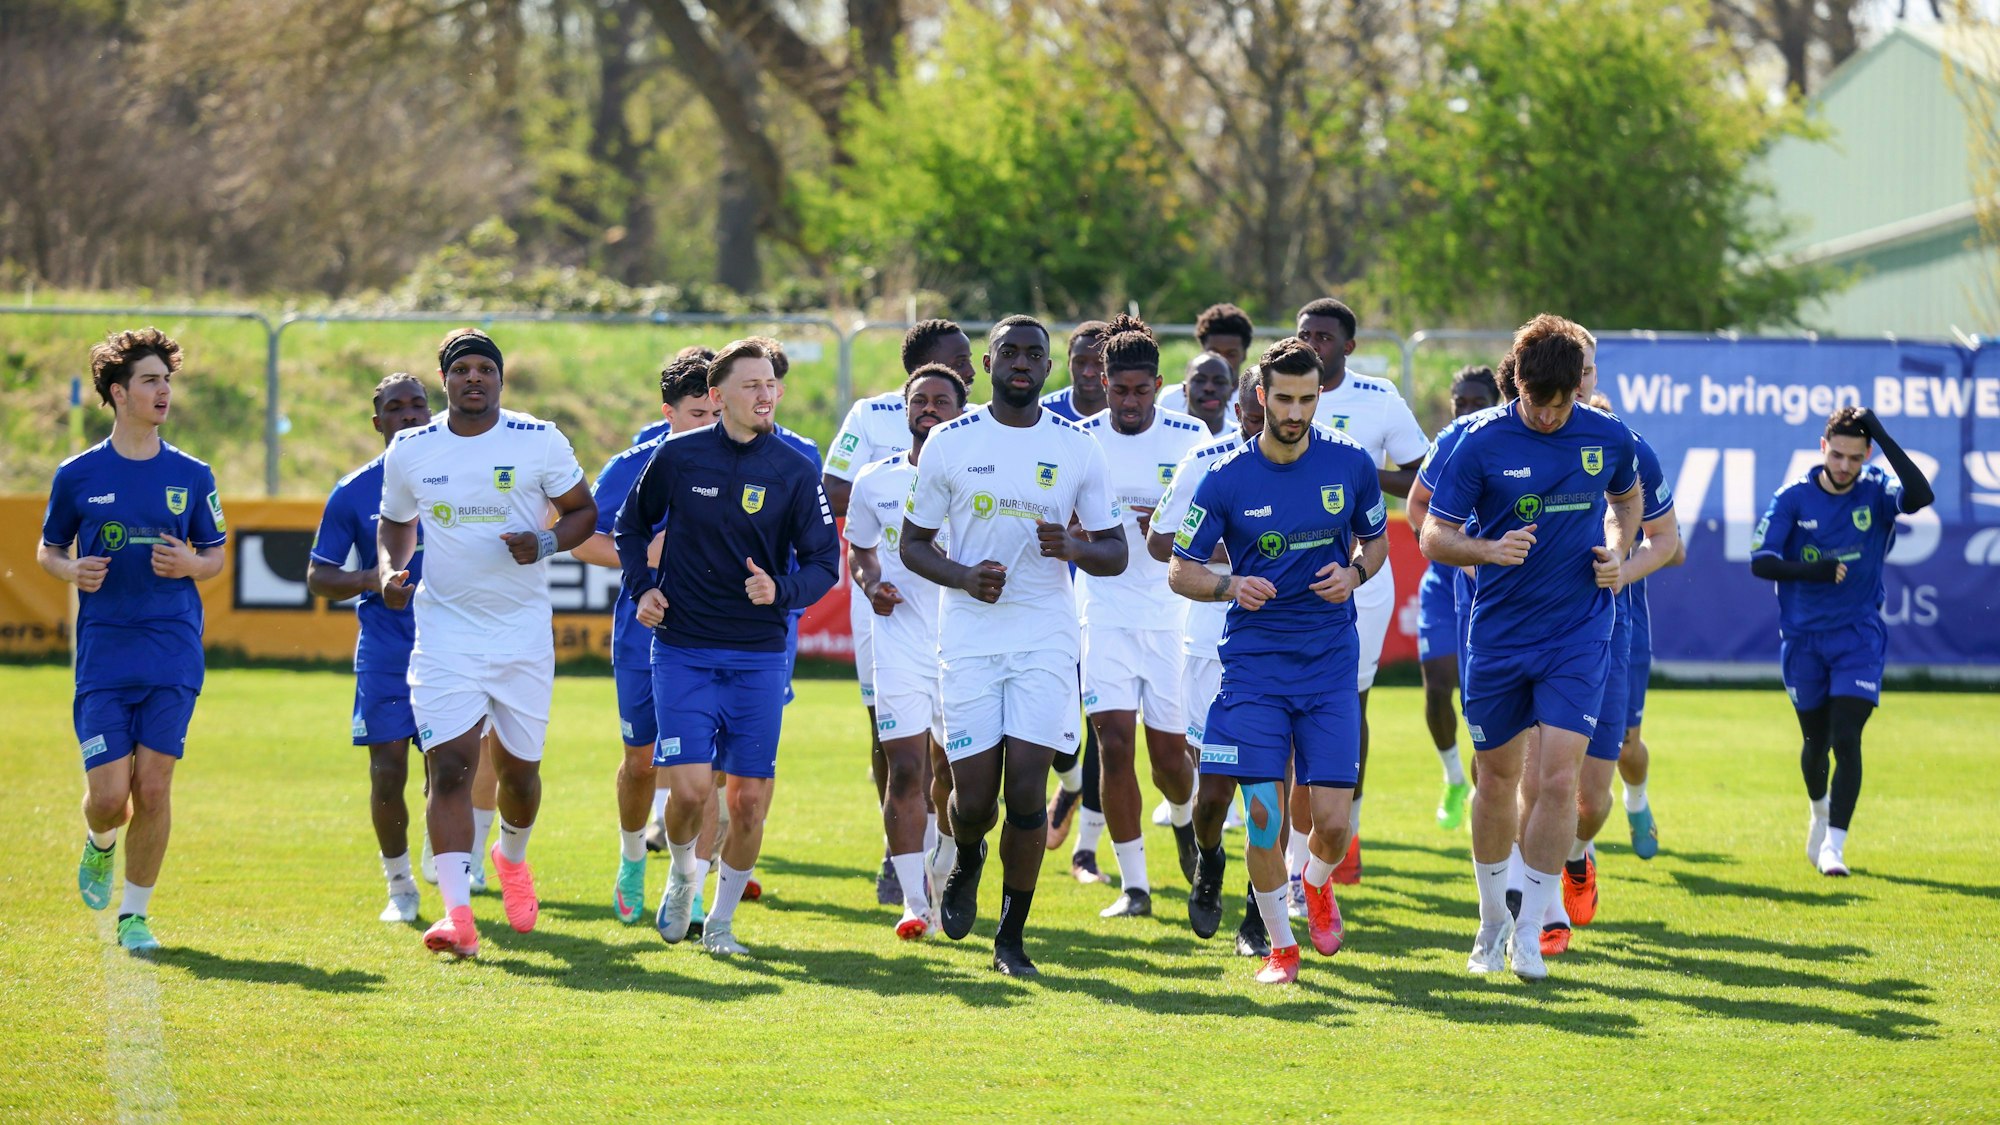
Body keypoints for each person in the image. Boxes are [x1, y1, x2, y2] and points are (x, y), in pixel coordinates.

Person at [901, 315, 1127, 977]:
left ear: (1048, 367)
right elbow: (913, 545)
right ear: (989, 363)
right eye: (1010, 352)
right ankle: (967, 854)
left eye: (1034, 354)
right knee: (974, 800)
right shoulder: (949, 441)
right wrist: (963, 576)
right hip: (969, 637)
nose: (1022, 363)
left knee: (1028, 791)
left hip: (1045, 637)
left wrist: (1075, 546)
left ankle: (1011, 939)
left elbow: (1115, 551)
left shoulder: (1078, 446)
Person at [1420, 314, 1641, 982]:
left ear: (1579, 388)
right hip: (1499, 634)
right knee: (1496, 779)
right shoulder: (1479, 442)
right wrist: (1487, 549)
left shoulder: (1607, 436)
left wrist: (1618, 549)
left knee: (1558, 781)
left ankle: (1532, 930)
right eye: (1536, 401)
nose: (1547, 415)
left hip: (1578, 632)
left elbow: (1627, 501)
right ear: (1515, 381)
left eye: (1561, 403)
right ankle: (1492, 921)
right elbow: (1432, 534)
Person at [1168, 338, 1388, 984]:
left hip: (1328, 664)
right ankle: (1281, 947)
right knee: (1263, 818)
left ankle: (1315, 881)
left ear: (1320, 396)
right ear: (1261, 395)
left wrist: (1353, 573)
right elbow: (1180, 568)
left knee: (1333, 825)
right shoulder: (1226, 478)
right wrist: (1231, 584)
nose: (1294, 412)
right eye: (1283, 399)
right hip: (1256, 668)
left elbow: (1376, 543)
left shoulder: (1350, 463)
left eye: (1306, 399)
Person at [379, 328, 597, 959]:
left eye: (485, 369)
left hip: (521, 635)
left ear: (501, 380)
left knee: (519, 776)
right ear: (445, 380)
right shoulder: (411, 449)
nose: (473, 377)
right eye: (461, 369)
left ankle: (511, 857)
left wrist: (546, 542)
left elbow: (583, 511)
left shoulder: (539, 439)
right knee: (448, 769)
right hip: (445, 633)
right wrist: (391, 569)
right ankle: (458, 918)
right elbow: (395, 523)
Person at [617, 339, 840, 955]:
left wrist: (781, 590)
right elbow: (629, 527)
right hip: (683, 650)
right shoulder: (678, 456)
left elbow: (825, 563)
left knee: (748, 804)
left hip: (759, 657)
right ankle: (682, 873)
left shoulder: (795, 469)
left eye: (772, 384)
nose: (766, 395)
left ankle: (719, 925)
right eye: (751, 385)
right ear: (718, 397)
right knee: (690, 791)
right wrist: (642, 588)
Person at [42, 328, 227, 955]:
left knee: (152, 788)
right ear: (119, 393)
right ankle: (99, 843)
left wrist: (191, 565)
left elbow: (215, 555)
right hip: (104, 654)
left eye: (166, 381)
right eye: (150, 381)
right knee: (108, 799)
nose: (163, 391)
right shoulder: (77, 475)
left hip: (172, 650)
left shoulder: (193, 474)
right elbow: (48, 548)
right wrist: (70, 569)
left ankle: (135, 916)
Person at [822, 318, 976, 907]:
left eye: (959, 374)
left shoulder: (980, 448)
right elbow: (839, 500)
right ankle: (906, 878)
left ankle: (946, 857)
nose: (968, 370)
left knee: (957, 766)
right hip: (891, 626)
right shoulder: (870, 423)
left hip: (965, 635)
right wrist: (872, 579)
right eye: (958, 360)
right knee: (897, 750)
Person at [1750, 406, 1933, 876]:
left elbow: (1921, 495)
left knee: (1846, 738)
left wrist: (1882, 434)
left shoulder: (1877, 490)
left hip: (1858, 637)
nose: (1845, 466)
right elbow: (1761, 561)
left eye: (1855, 457)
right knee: (1816, 743)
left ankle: (1835, 845)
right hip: (1803, 640)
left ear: (1867, 454)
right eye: (1837, 455)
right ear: (1822, 448)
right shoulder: (1793, 497)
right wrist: (1814, 571)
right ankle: (1819, 811)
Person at [569, 354, 718, 925]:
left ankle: (689, 885)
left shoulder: (751, 460)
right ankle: (632, 859)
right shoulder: (632, 466)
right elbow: (583, 541)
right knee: (640, 764)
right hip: (643, 637)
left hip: (719, 639)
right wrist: (647, 554)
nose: (708, 425)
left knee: (703, 772)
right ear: (668, 413)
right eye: (696, 414)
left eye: (715, 413)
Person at [1537, 378, 1683, 956]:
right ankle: (1542, 913)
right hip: (1540, 632)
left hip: (1616, 633)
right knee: (1536, 776)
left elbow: (1671, 543)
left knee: (1600, 787)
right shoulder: (1531, 454)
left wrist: (1621, 563)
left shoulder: (1629, 455)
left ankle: (1584, 848)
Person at [1289, 298, 1429, 893]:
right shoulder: (1281, 392)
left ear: (1348, 347)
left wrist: (1360, 475)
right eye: (1305, 334)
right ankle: (1294, 851)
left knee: (1351, 706)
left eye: (1324, 337)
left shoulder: (1379, 398)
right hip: (1289, 576)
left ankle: (1347, 834)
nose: (1312, 345)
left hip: (1362, 574)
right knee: (1290, 709)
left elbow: (1424, 476)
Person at [1076, 314, 1209, 917]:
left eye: (1140, 390)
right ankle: (1135, 888)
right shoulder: (1079, 440)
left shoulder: (1190, 438)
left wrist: (1169, 523)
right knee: (1113, 744)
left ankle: (1182, 819)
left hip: (1171, 617)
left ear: (1158, 386)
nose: (1129, 402)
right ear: (1102, 383)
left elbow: (1210, 524)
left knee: (1170, 762)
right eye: (1119, 389)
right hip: (1102, 613)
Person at [1150, 365, 1272, 958]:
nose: (1268, 428)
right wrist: (1230, 551)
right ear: (1239, 412)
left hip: (1284, 645)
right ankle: (1211, 859)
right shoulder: (1204, 462)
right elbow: (1160, 541)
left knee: (1267, 789)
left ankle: (1258, 914)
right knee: (1215, 792)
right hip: (1208, 646)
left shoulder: (1320, 465)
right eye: (1255, 418)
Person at [306, 372, 435, 924]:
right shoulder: (355, 491)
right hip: (385, 650)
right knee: (387, 770)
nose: (409, 415)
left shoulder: (460, 477)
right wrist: (373, 580)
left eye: (418, 405)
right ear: (377, 421)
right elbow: (319, 575)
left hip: (451, 646)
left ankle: (449, 860)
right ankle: (400, 886)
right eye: (396, 407)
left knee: (450, 767)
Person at [1405, 366, 1499, 832]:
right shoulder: (1447, 442)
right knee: (1439, 685)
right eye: (1461, 402)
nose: (1467, 410)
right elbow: (1416, 505)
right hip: (1444, 583)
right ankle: (1453, 778)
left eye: (1477, 402)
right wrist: (1452, 550)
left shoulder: (1507, 440)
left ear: (1498, 402)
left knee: (1482, 699)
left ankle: (1489, 791)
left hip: (1492, 585)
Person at [1038, 321, 1115, 884]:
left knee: (1103, 721)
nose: (1090, 373)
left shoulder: (1133, 414)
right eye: (1080, 362)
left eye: (1099, 364)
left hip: (1105, 591)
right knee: (1057, 721)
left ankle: (1086, 850)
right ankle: (1068, 783)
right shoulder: (1041, 417)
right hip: (1043, 591)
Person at [1159, 352, 1238, 437]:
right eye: (1200, 380)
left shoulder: (1242, 439)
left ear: (1231, 392)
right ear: (1185, 389)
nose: (1209, 388)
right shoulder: (1164, 435)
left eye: (1219, 382)